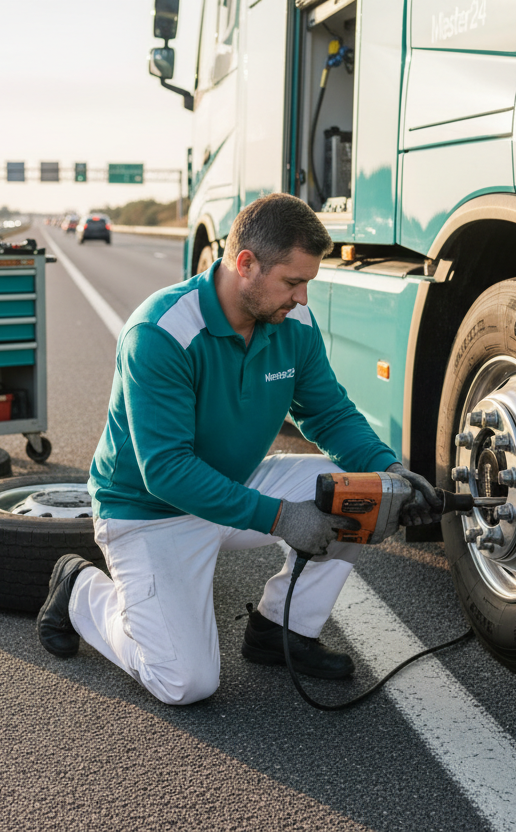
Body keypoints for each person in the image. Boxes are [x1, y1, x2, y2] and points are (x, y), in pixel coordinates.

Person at [37, 193, 442, 705]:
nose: (302, 299)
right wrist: (280, 519)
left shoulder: (292, 323)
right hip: (148, 511)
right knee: (186, 683)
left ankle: (282, 631)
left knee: (364, 492)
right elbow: (165, 471)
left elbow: (330, 414)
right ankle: (80, 591)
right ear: (245, 263)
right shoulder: (161, 332)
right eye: (293, 282)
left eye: (307, 284)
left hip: (234, 483)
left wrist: (393, 472)